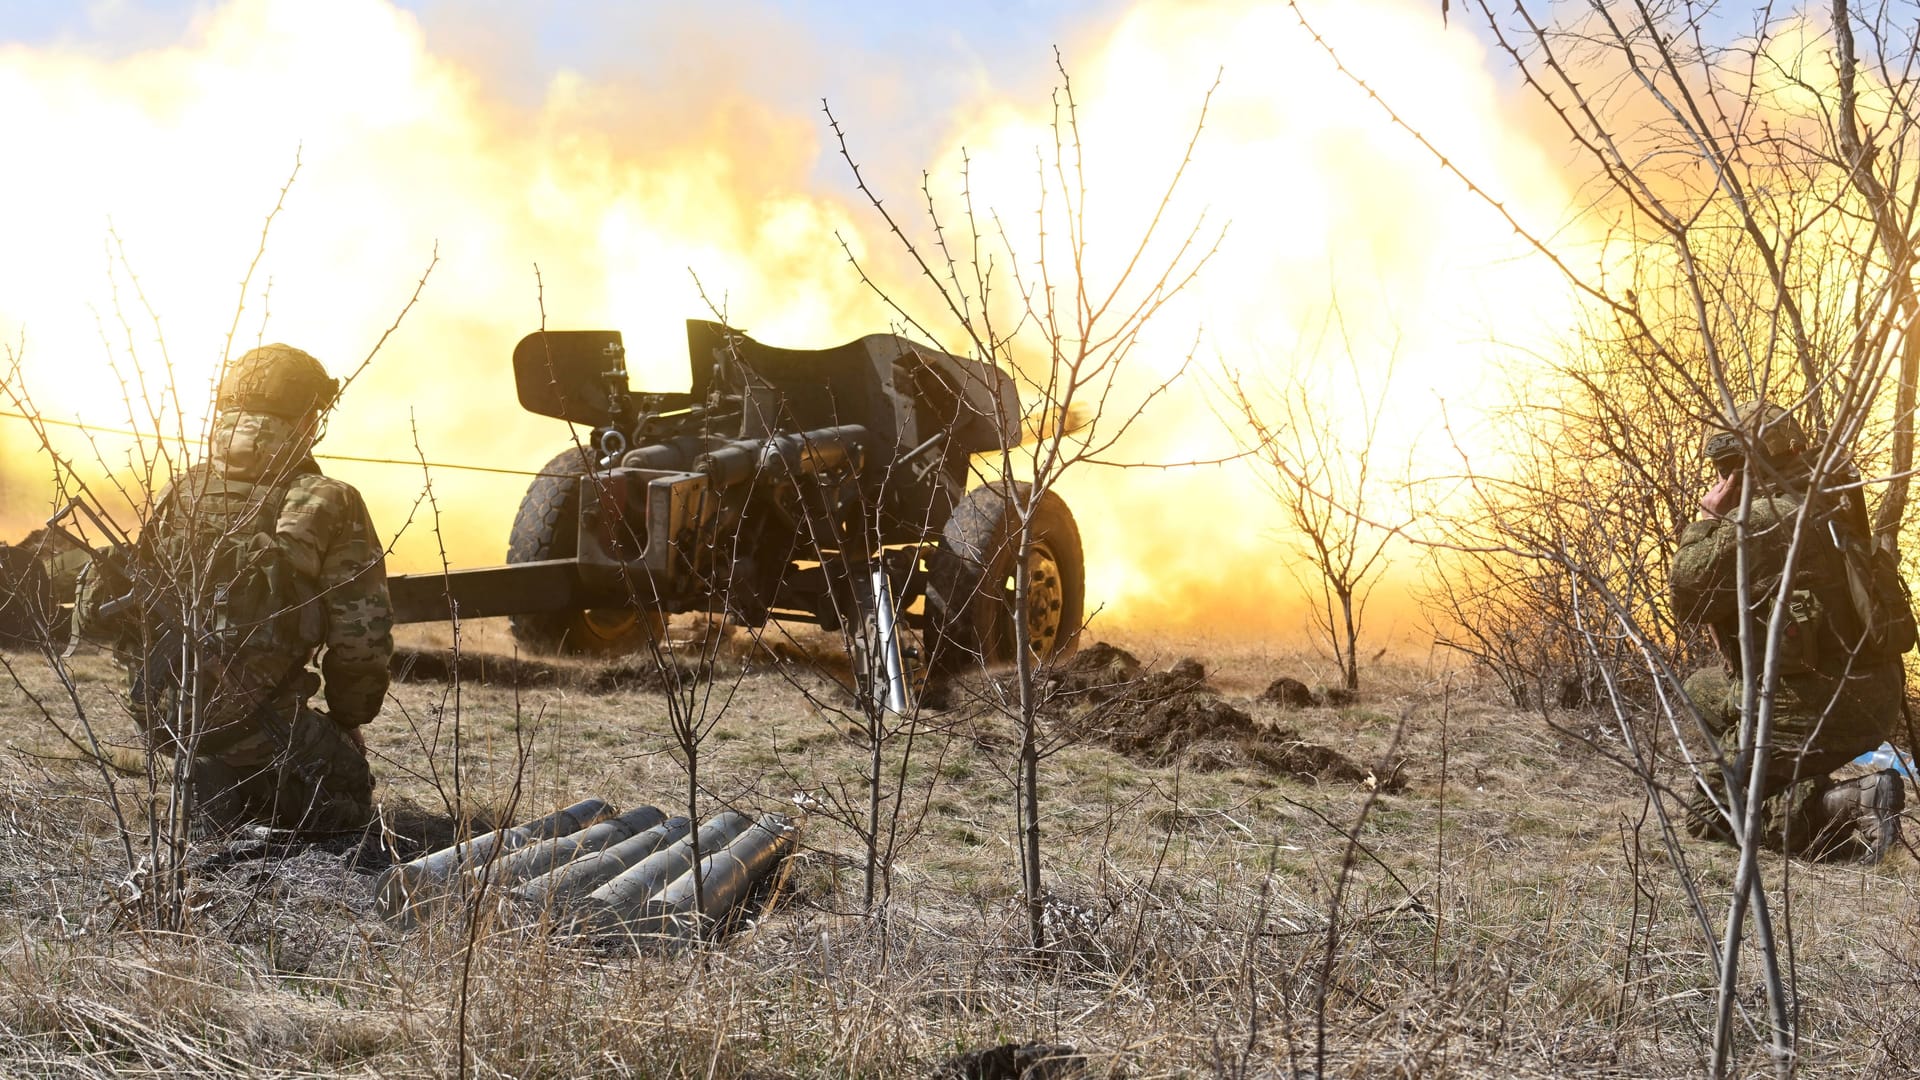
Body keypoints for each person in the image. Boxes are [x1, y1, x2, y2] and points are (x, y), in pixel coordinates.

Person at [75, 344, 391, 833]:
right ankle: (237, 783)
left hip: (165, 720)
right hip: (262, 728)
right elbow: (362, 640)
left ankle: (198, 774)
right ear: (309, 418)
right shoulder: (329, 500)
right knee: (348, 798)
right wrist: (349, 720)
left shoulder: (181, 490)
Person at [1670, 400, 1907, 861]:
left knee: (1707, 815)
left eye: (1726, 467)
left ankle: (1842, 806)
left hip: (1827, 700)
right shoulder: (1831, 494)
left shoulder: (1770, 520)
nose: (1720, 479)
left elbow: (1688, 594)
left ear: (1748, 464)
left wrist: (1708, 520)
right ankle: (1782, 774)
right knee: (1701, 687)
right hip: (1866, 688)